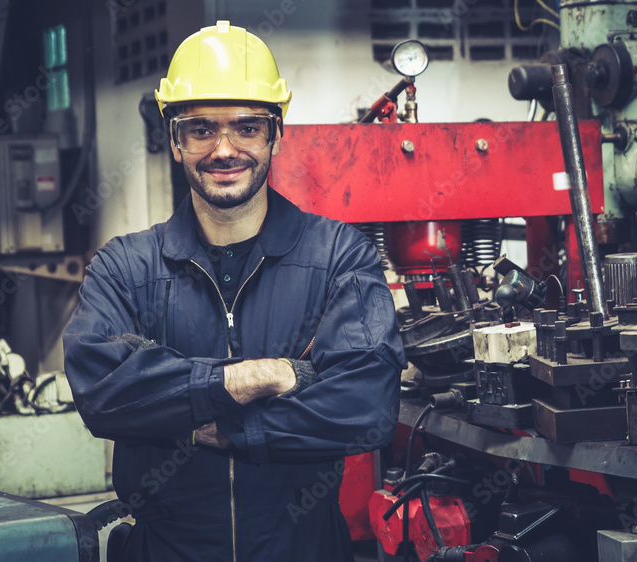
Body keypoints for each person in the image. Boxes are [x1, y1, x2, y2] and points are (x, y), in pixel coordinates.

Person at [62, 21, 405, 561]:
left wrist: (224, 428)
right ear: (175, 140)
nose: (224, 149)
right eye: (201, 129)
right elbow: (103, 393)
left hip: (304, 548)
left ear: (275, 133)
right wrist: (258, 376)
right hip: (167, 550)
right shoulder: (125, 266)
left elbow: (366, 406)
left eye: (246, 128)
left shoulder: (340, 256)